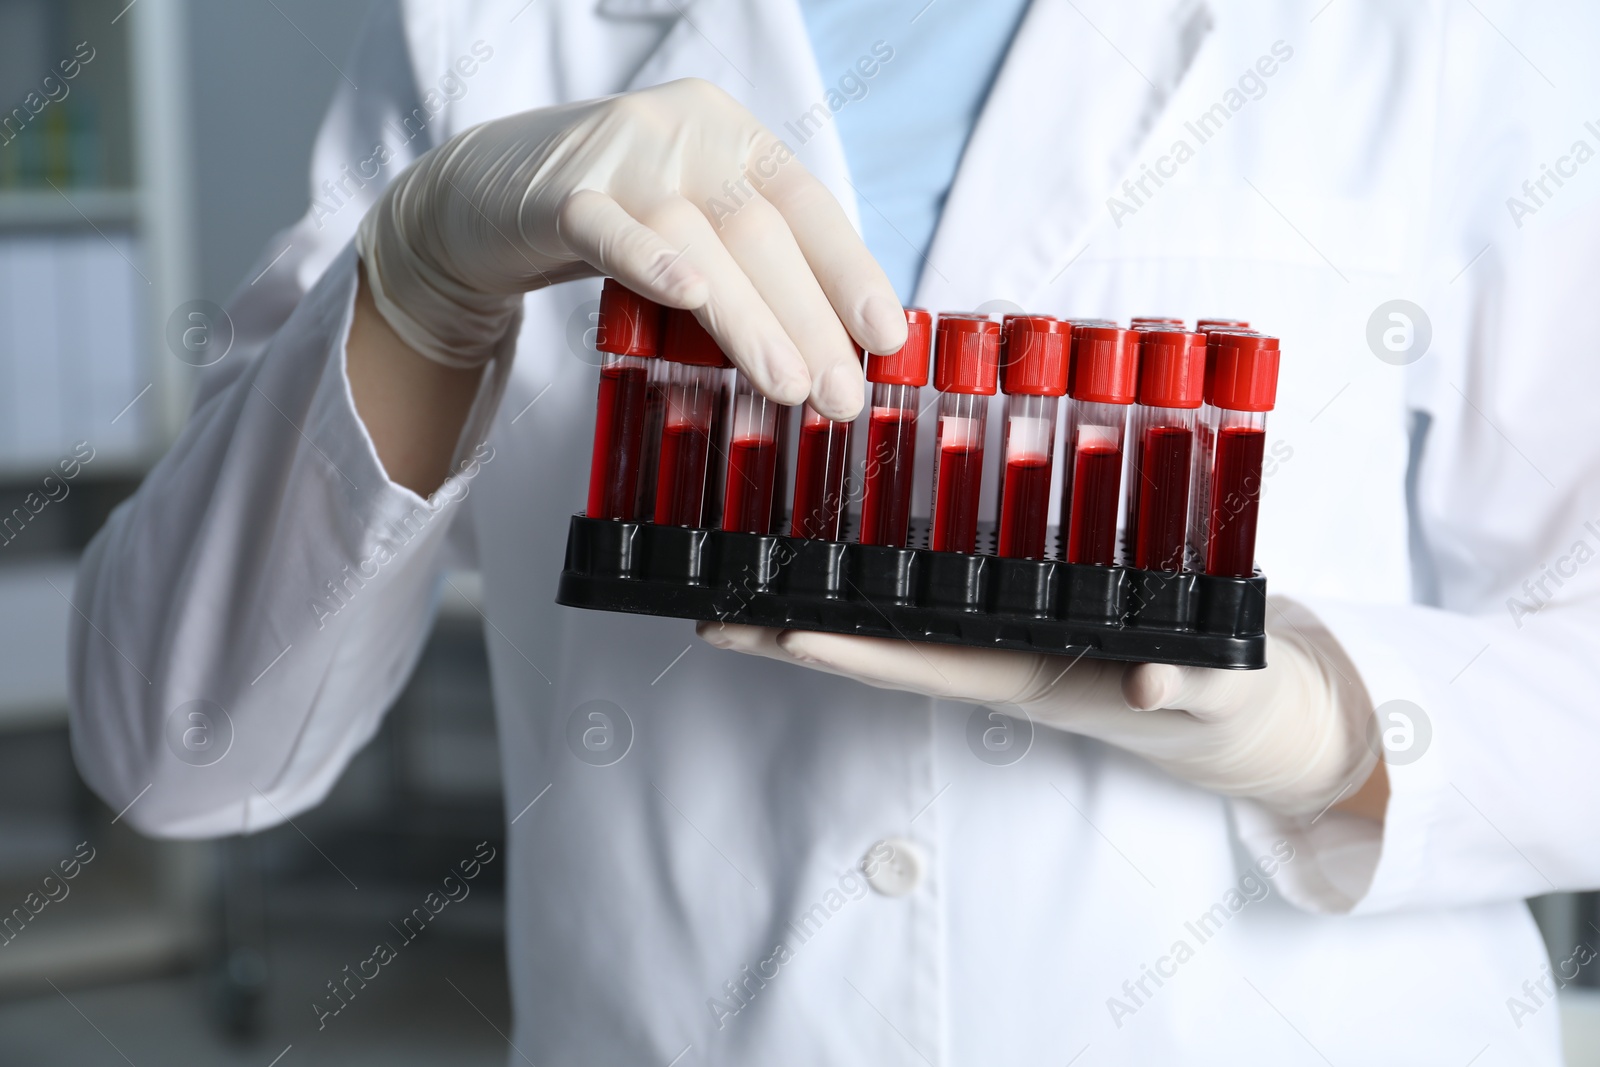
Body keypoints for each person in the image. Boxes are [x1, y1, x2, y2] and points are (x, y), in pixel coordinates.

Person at [68, 0, 1600, 1062]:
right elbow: (178, 750)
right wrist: (417, 288)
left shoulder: (1464, 31)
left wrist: (1321, 726)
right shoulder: (496, 27)